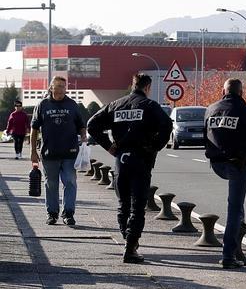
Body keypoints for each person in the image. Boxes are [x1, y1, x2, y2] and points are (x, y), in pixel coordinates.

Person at [87, 73, 171, 264]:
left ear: (132, 85)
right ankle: (131, 247)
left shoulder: (116, 105)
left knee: (123, 204)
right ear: (147, 88)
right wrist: (155, 146)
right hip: (141, 159)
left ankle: (127, 239)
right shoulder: (150, 106)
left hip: (121, 160)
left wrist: (109, 145)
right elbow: (167, 125)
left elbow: (92, 125)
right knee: (138, 206)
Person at [204, 78, 246, 269]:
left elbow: (206, 135)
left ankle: (238, 242)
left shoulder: (210, 109)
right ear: (241, 92)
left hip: (216, 163)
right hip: (237, 164)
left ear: (223, 91)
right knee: (235, 208)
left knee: (237, 209)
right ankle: (229, 254)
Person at [31, 76, 87, 226]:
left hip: (70, 152)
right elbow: (34, 129)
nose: (62, 89)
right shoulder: (43, 105)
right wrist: (33, 152)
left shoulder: (72, 104)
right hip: (49, 153)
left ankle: (68, 213)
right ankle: (52, 213)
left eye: (64, 86)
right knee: (51, 184)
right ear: (51, 88)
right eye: (59, 86)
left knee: (70, 181)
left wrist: (83, 136)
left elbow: (81, 124)